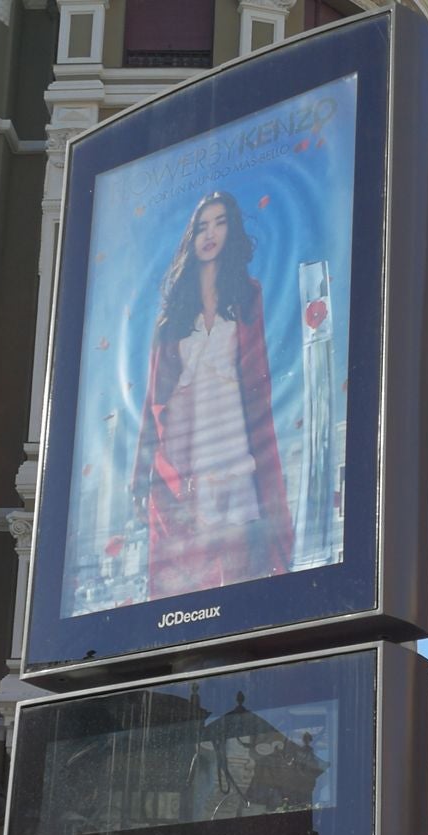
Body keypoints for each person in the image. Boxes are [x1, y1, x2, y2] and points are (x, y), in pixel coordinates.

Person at [132, 191, 293, 600]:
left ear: (232, 230)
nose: (210, 233)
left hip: (233, 447)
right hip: (183, 458)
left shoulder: (247, 296)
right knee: (187, 577)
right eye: (203, 225)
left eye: (220, 222)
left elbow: (259, 380)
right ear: (192, 235)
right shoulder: (172, 314)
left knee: (239, 577)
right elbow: (152, 397)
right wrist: (140, 474)